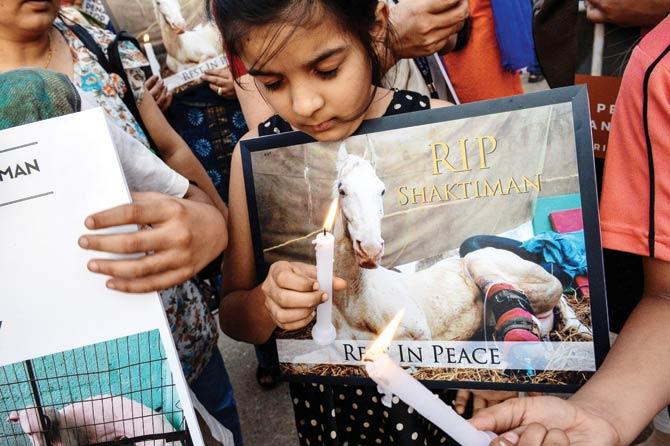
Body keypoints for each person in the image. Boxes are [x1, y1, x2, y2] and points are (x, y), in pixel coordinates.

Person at [208, 0, 528, 443]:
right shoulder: (254, 157)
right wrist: (267, 302)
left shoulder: (443, 128)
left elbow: (479, 296)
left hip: (448, 407)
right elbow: (233, 317)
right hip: (335, 418)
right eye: (273, 81)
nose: (305, 103)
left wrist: (491, 372)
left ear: (377, 27)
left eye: (327, 70)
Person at [470, 15, 670, 446]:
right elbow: (668, 295)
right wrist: (603, 413)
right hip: (541, 262)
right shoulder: (660, 66)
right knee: (476, 250)